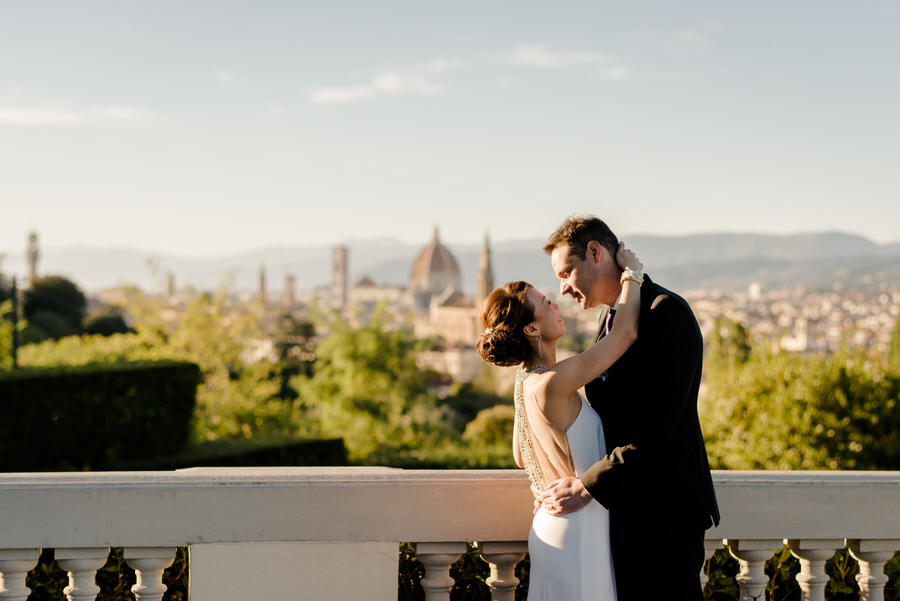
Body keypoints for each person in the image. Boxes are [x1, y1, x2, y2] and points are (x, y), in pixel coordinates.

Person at [540, 215, 720, 601]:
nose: (563, 288)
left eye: (567, 272)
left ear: (595, 252)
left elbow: (660, 422)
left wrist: (589, 486)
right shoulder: (613, 317)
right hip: (625, 508)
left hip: (664, 512)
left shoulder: (664, 311)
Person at [476, 242, 644, 601]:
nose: (555, 304)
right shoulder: (554, 381)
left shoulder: (524, 384)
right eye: (545, 304)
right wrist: (632, 274)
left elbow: (522, 457)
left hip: (550, 528)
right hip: (579, 530)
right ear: (532, 330)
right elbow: (625, 334)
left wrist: (547, 480)